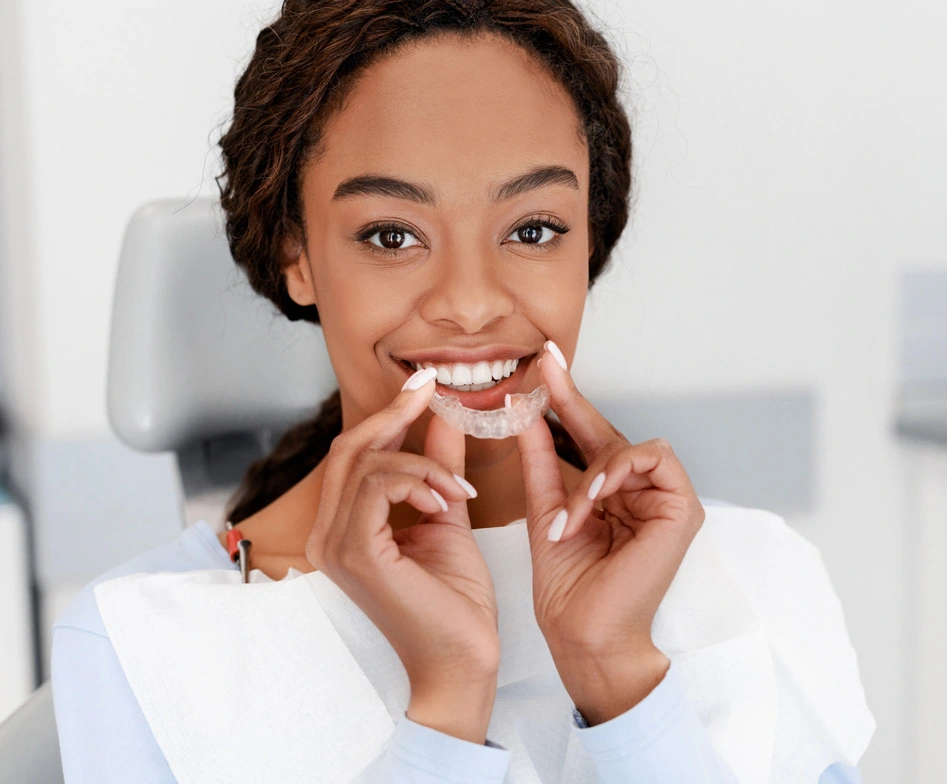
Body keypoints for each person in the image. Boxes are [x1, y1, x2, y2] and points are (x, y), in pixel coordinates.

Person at [50, 1, 871, 781]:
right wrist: (445, 703)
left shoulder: (754, 580)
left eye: (533, 230)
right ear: (297, 254)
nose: (473, 302)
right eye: (392, 235)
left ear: (589, 241)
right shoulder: (148, 648)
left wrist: (619, 676)